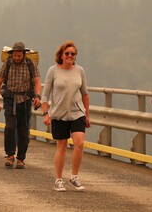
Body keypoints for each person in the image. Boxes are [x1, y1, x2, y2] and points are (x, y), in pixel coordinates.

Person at [41, 40, 90, 192]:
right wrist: (45, 113)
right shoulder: (53, 70)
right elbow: (45, 95)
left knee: (79, 143)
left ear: (76, 56)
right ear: (61, 55)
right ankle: (58, 179)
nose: (70, 56)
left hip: (77, 113)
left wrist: (87, 114)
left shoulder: (80, 70)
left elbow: (85, 94)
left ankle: (74, 177)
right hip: (59, 114)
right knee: (61, 146)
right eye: (67, 53)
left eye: (73, 54)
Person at [0, 41, 41, 169]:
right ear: (12, 54)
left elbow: (37, 82)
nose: (17, 58)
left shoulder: (31, 64)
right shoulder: (7, 64)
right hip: (10, 99)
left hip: (25, 100)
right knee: (10, 127)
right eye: (15, 55)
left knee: (23, 130)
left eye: (19, 55)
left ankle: (21, 158)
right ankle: (9, 155)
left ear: (24, 54)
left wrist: (37, 96)